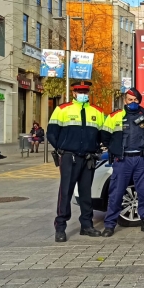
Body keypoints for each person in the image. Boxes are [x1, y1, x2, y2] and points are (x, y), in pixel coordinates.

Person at [47, 81, 105, 242]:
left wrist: (98, 149)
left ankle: (86, 225)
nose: (83, 94)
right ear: (73, 93)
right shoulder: (62, 109)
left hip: (88, 158)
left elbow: (103, 135)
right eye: (79, 92)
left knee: (86, 192)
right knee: (65, 191)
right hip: (69, 156)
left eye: (85, 92)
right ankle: (60, 227)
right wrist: (61, 148)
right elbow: (51, 132)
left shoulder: (97, 111)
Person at [100, 88, 144, 237]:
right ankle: (110, 225)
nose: (132, 102)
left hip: (140, 160)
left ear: (139, 101)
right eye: (130, 100)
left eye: (135, 100)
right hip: (122, 160)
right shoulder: (115, 116)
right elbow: (105, 136)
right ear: (125, 100)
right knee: (116, 193)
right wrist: (115, 150)